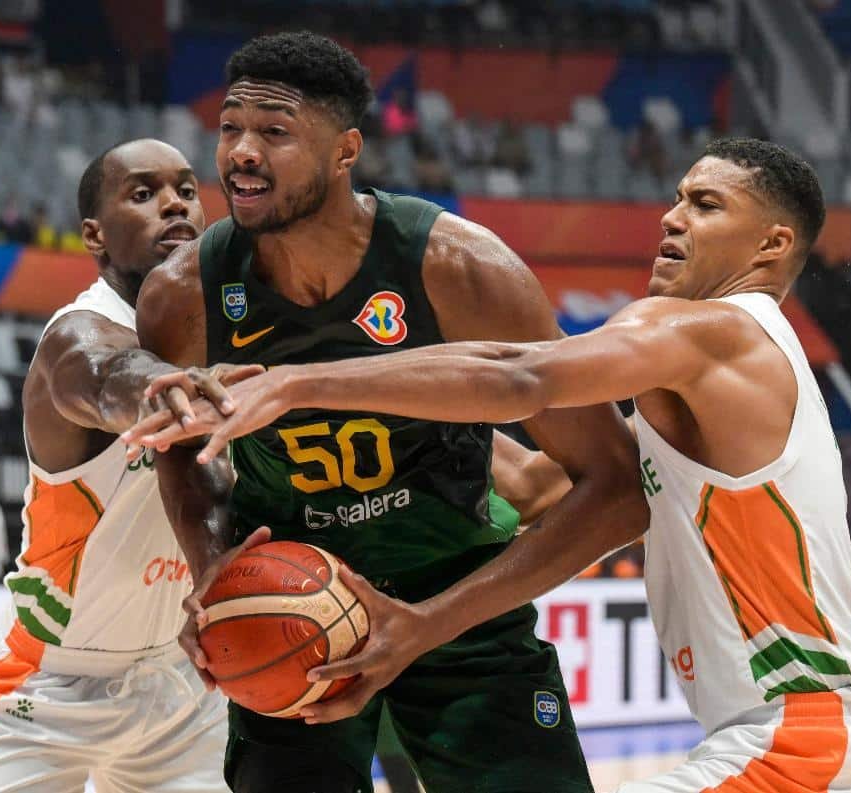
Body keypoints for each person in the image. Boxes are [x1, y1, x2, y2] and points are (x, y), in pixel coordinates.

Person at [134, 137, 851, 792]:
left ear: (773, 245)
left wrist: (299, 379)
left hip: (804, 735)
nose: (671, 218)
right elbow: (542, 482)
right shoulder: (714, 379)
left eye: (706, 207)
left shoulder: (709, 330)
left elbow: (521, 374)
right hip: (818, 733)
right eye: (677, 198)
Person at [126, 32, 646, 793]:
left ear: (345, 151)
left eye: (274, 133)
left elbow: (618, 489)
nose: (240, 152)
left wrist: (429, 623)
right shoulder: (183, 295)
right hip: (285, 607)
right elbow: (180, 448)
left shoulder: (460, 269)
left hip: (460, 607)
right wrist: (212, 576)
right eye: (231, 127)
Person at [0, 139, 252, 793]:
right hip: (47, 680)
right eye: (143, 193)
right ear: (95, 236)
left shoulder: (232, 334)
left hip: (178, 683)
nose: (173, 203)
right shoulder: (74, 336)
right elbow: (112, 375)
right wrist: (171, 389)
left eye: (186, 190)